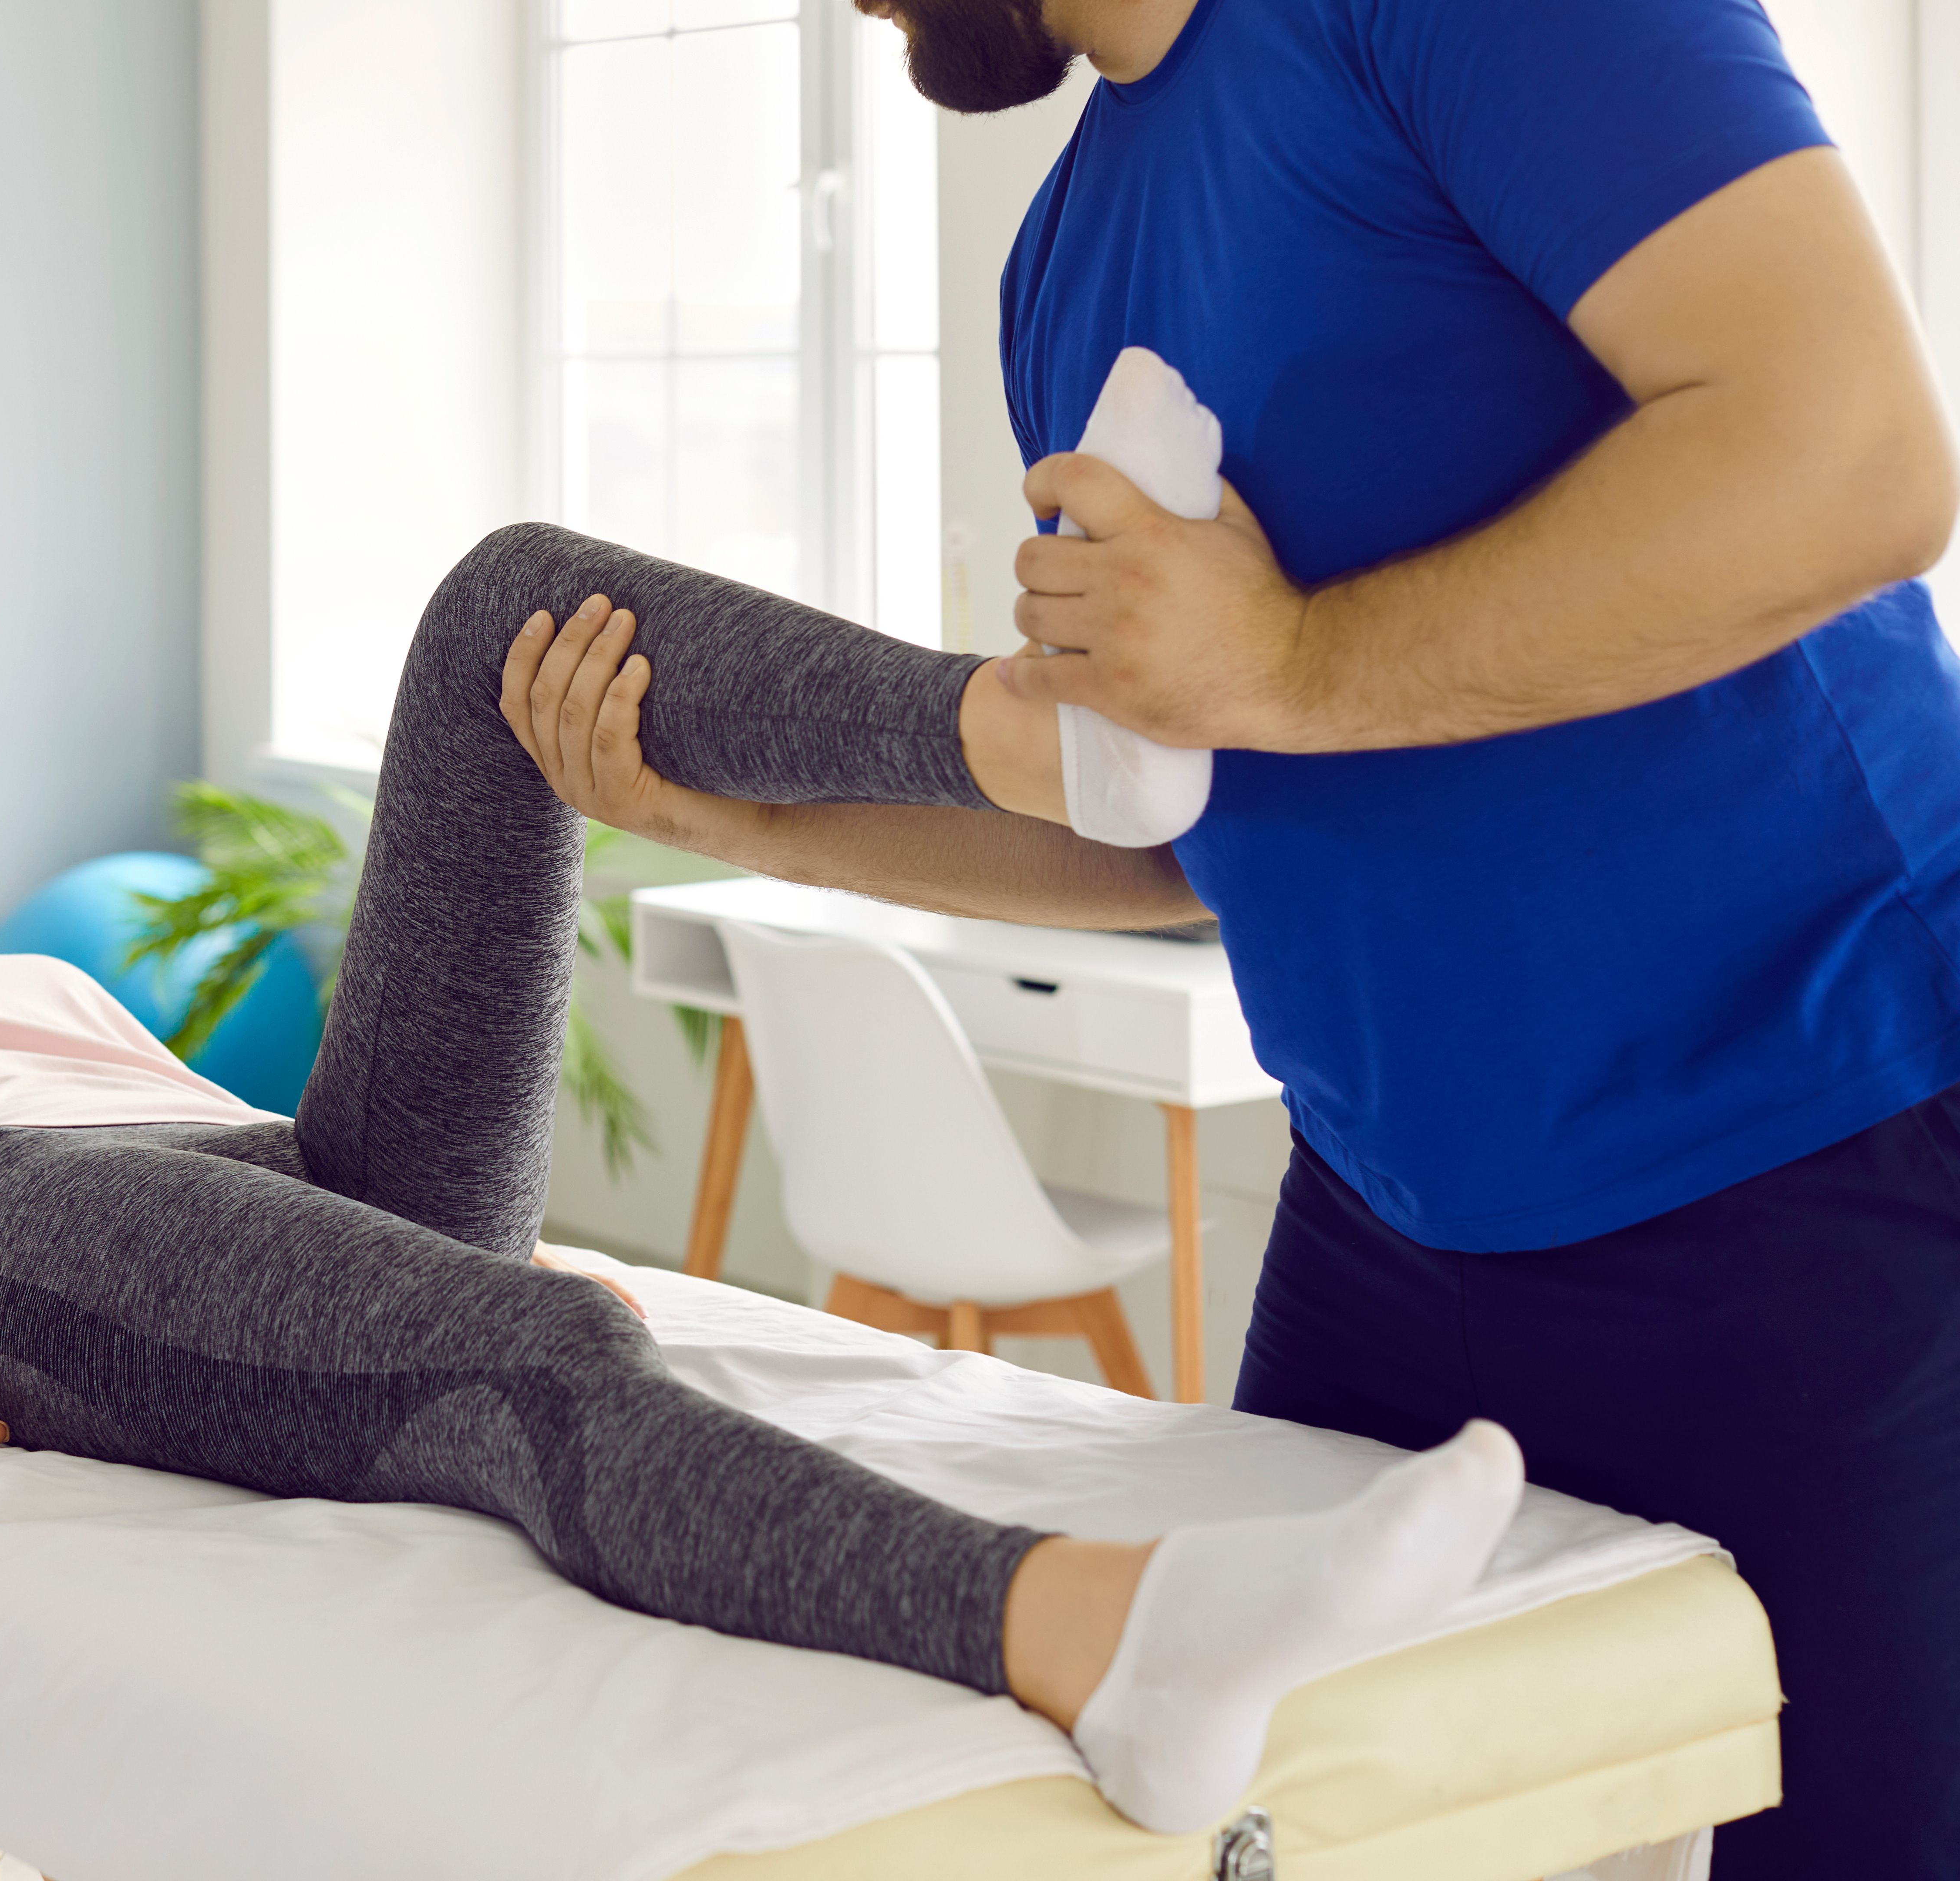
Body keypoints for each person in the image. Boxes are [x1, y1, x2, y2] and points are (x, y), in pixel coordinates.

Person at [510, 0, 1960, 1869]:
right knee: (1269, 1824)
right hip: (1385, 1227)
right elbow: (1189, 824)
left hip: (1807, 1163)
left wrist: (1288, 661)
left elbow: (1855, 456)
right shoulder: (1062, 263)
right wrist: (746, 822)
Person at [0, 563, 1527, 1839]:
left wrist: (370, 1250)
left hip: (272, 1181)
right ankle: (1083, 1635)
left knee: (500, 620)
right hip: (18, 1238)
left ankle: (1024, 736)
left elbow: (263, 1173)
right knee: (550, 1356)